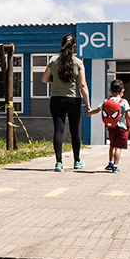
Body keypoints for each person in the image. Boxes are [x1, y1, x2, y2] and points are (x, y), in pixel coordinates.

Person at [41, 34, 93, 171]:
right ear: (74, 46)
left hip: (56, 99)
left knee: (58, 129)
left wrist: (57, 81)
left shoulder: (53, 60)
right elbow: (83, 85)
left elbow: (44, 79)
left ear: (61, 44)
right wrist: (88, 105)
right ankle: (76, 161)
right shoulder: (78, 62)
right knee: (74, 130)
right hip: (73, 100)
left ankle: (59, 163)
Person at [87, 79, 130, 173]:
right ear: (122, 91)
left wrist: (90, 113)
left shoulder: (106, 100)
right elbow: (128, 115)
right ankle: (115, 166)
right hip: (121, 127)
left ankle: (110, 162)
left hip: (111, 127)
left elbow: (97, 110)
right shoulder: (123, 102)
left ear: (110, 91)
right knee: (118, 147)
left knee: (112, 145)